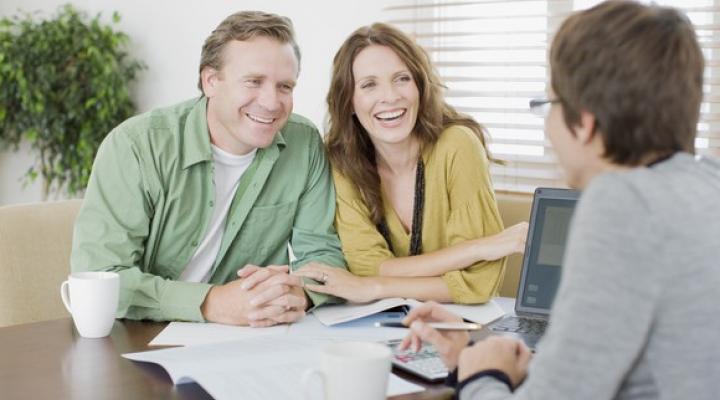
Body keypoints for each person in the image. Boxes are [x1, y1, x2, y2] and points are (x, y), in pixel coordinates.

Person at [400, 1, 720, 399]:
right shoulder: (708, 184)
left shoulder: (622, 205)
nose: (548, 127)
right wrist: (478, 357)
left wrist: (480, 378)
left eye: (548, 105)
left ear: (584, 124)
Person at [70, 11, 347, 328]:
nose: (272, 102)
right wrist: (212, 302)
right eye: (254, 82)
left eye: (285, 86)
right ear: (211, 81)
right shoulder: (136, 146)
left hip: (251, 337)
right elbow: (101, 276)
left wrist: (299, 293)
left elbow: (322, 252)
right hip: (139, 334)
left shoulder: (304, 142)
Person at [294, 23, 528, 304]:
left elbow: (477, 283)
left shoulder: (458, 146)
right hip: (376, 329)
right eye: (369, 85)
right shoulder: (342, 161)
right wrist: (479, 248)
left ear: (420, 86)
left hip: (460, 326)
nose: (391, 97)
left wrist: (376, 287)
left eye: (402, 79)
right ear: (350, 102)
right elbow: (364, 267)